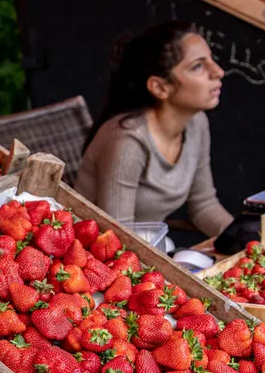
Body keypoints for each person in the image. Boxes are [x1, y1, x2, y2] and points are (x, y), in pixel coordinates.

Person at [75, 21, 234, 238]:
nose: (218, 72)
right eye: (197, 66)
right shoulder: (127, 142)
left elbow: (204, 205)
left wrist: (245, 241)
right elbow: (118, 237)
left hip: (149, 247)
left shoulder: (197, 123)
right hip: (104, 258)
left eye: (211, 60)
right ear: (160, 87)